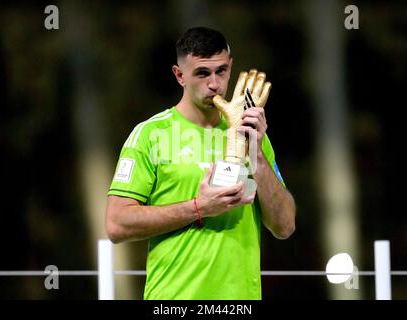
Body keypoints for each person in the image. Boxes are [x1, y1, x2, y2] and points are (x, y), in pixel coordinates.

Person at [105, 26, 296, 300]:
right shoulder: (151, 134)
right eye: (203, 73)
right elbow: (116, 224)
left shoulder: (252, 133)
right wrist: (198, 208)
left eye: (221, 71)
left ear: (231, 66)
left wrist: (254, 150)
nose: (215, 84)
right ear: (179, 75)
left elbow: (285, 226)